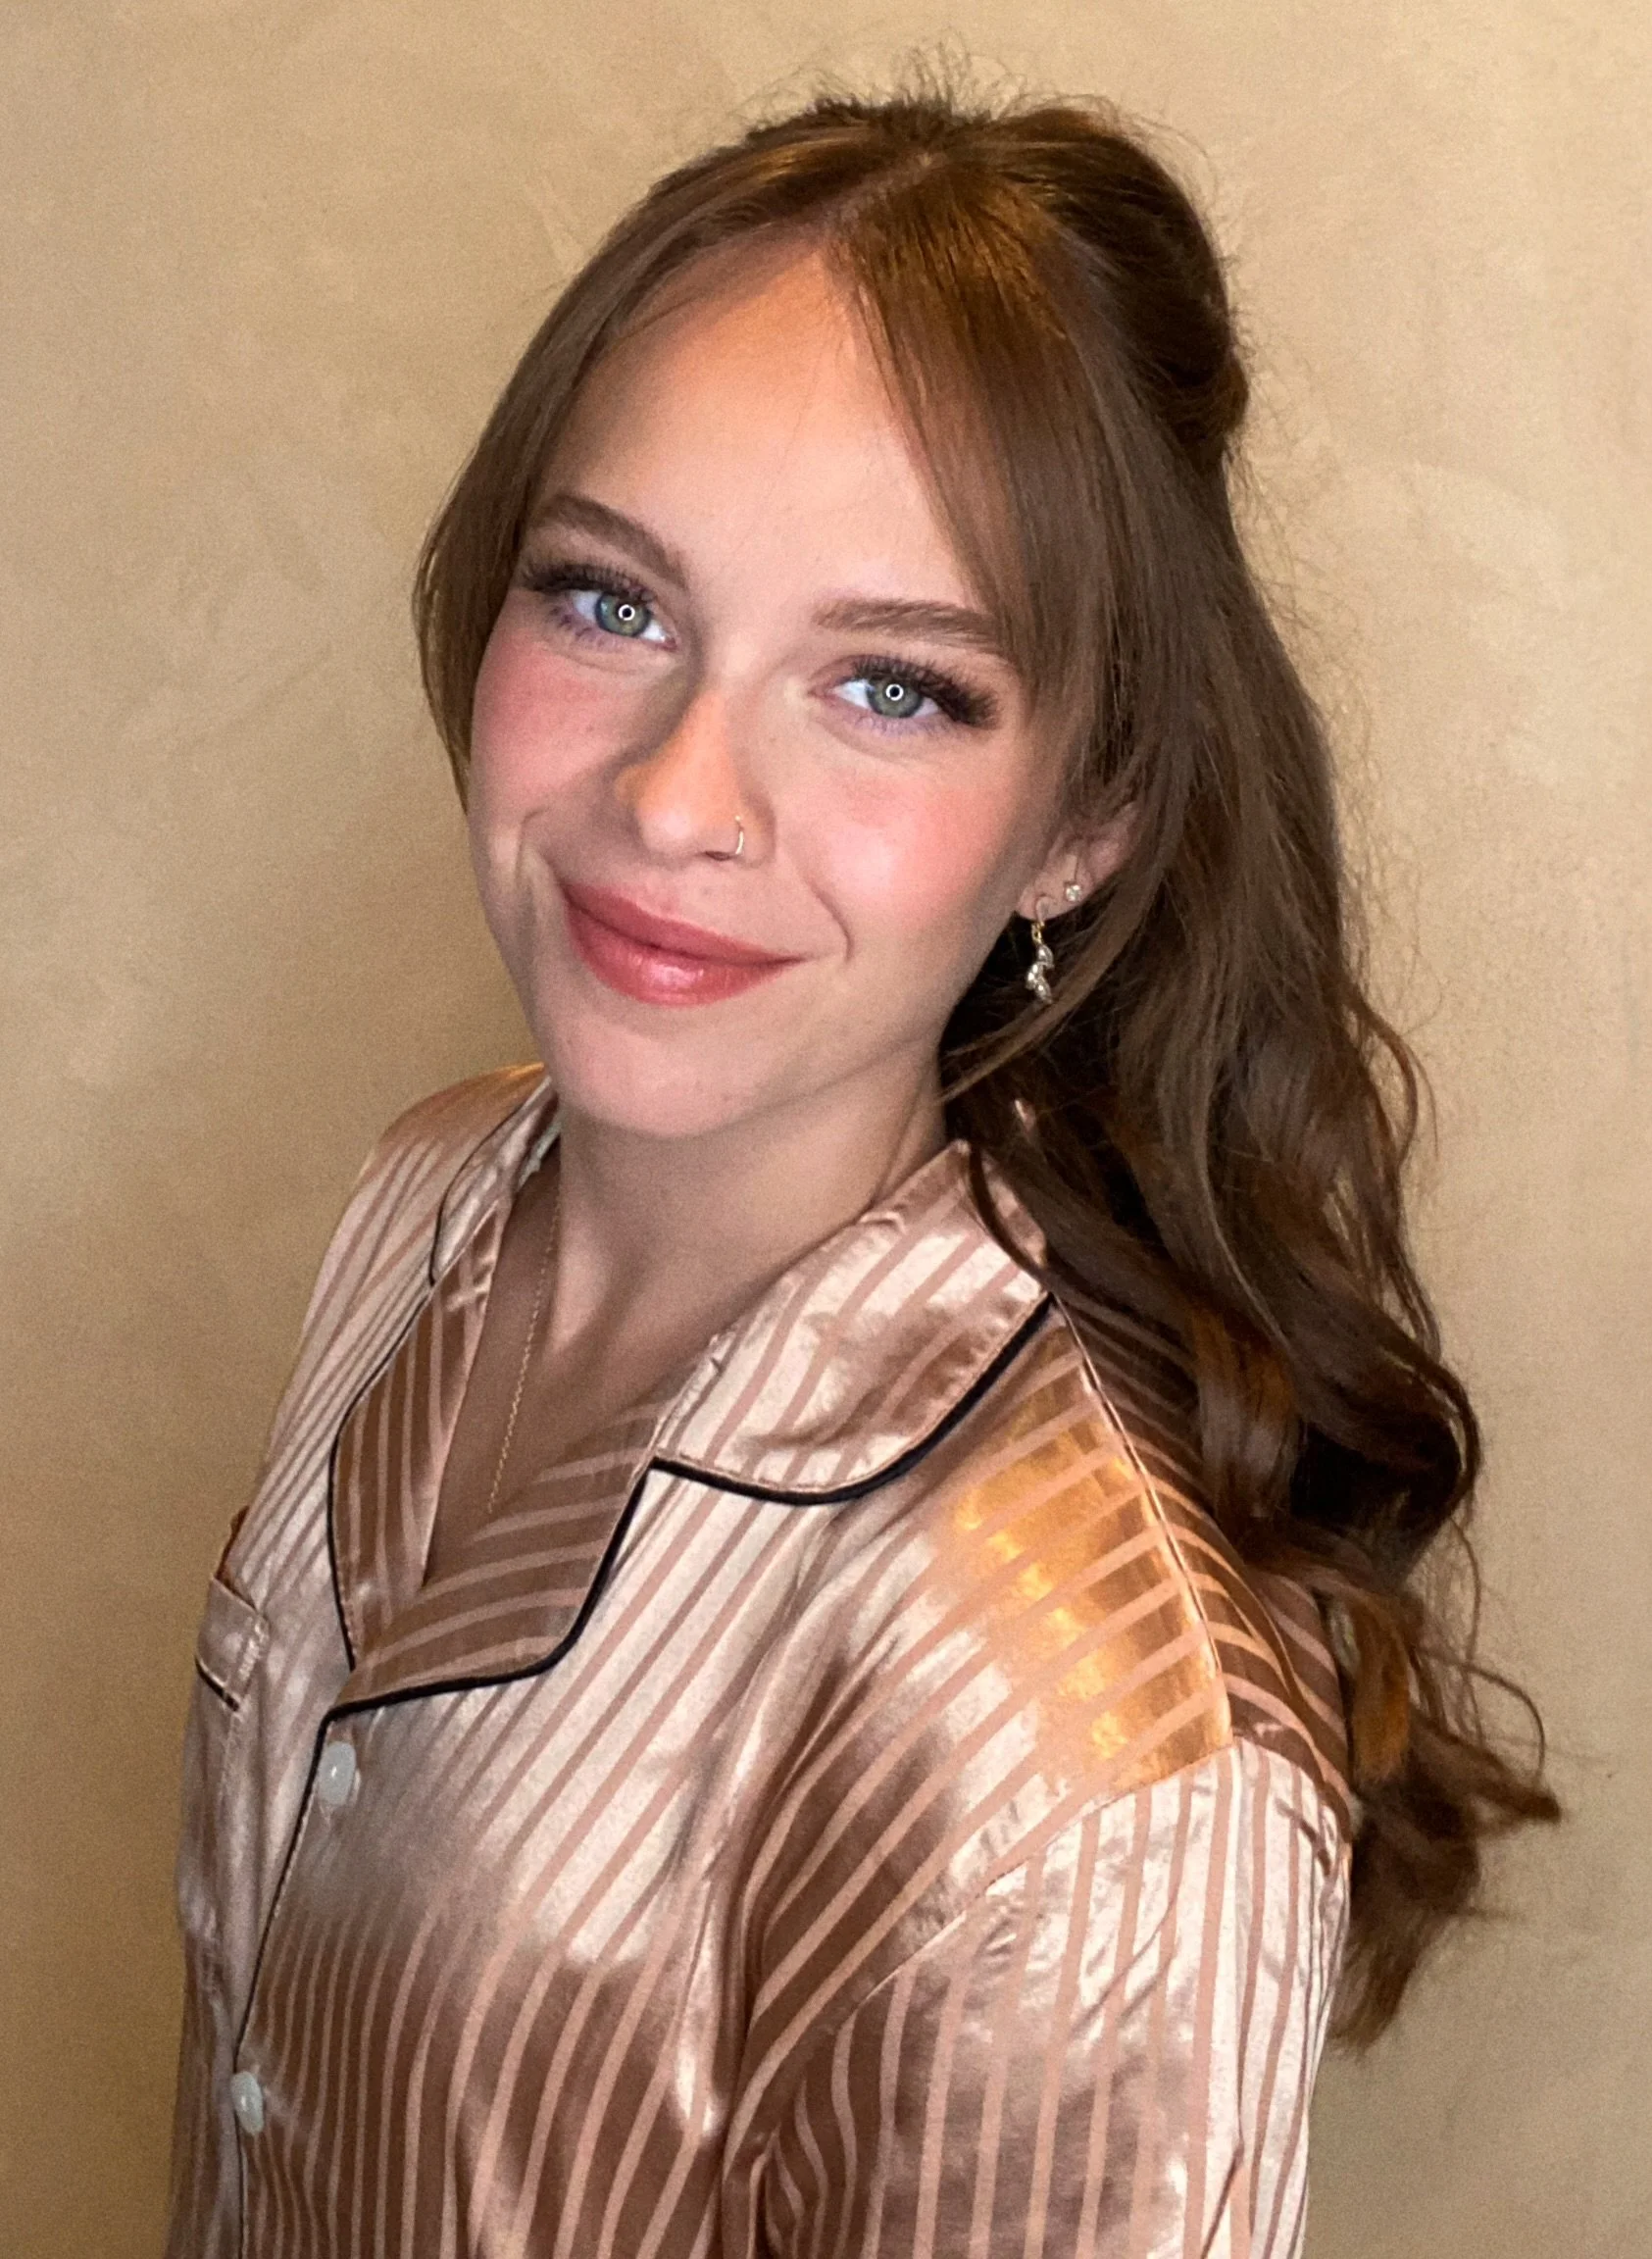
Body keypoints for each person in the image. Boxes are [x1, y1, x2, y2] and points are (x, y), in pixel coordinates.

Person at [164, 71, 1559, 2259]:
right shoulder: (422, 1200)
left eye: (892, 686)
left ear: (1085, 823)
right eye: (606, 601)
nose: (679, 796)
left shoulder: (1088, 1738)